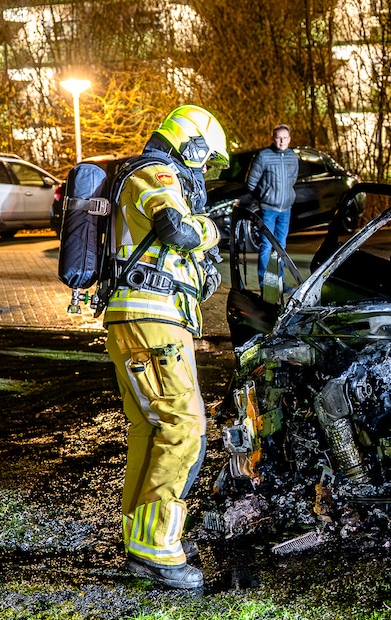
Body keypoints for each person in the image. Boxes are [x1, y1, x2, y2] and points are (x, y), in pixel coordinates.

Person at [103, 104, 229, 589]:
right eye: (205, 159)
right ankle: (159, 548)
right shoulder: (157, 171)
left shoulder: (147, 174)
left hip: (137, 318)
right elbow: (174, 227)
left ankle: (142, 537)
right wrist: (213, 229)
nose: (204, 170)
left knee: (148, 429)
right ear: (190, 145)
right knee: (185, 427)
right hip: (153, 320)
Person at [247, 124, 299, 287]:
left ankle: (278, 283)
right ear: (273, 138)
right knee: (266, 246)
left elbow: (293, 179)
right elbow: (251, 182)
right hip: (268, 209)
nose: (282, 141)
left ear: (289, 139)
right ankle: (265, 285)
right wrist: (263, 196)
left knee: (281, 247)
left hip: (286, 209)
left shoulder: (292, 156)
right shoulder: (264, 156)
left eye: (285, 138)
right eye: (278, 137)